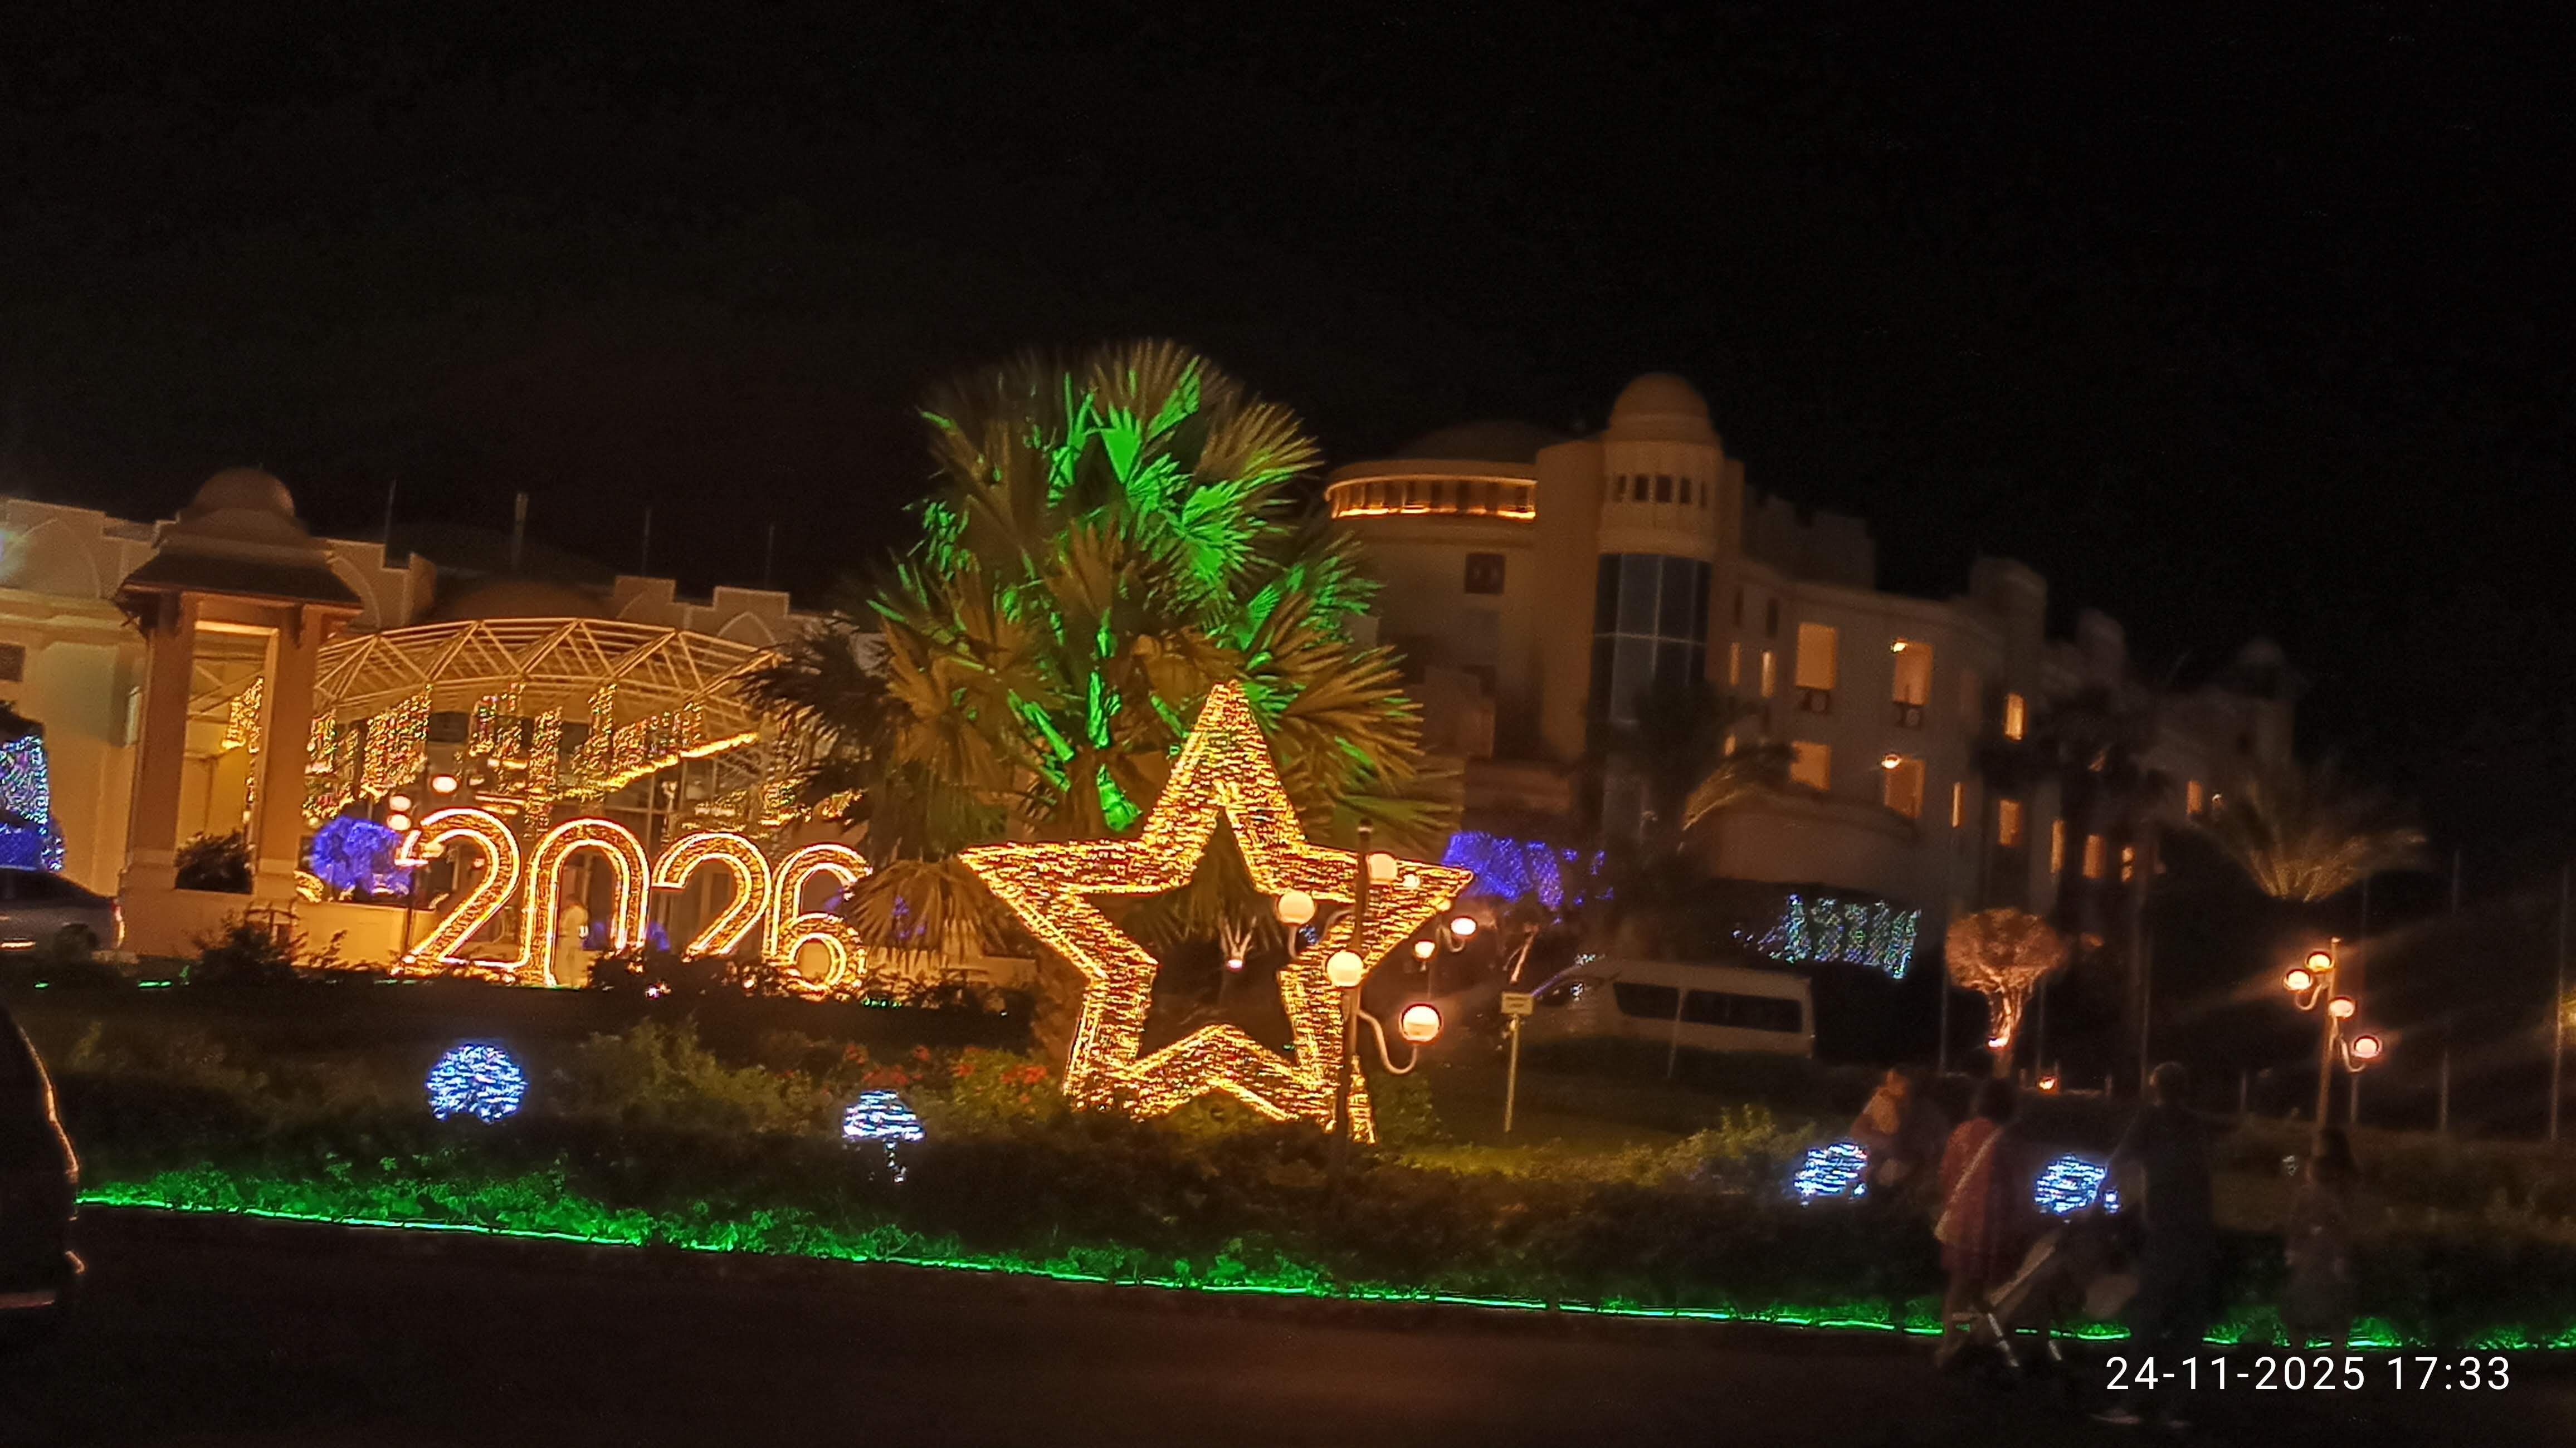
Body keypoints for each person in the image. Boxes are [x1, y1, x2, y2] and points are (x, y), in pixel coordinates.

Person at [2096, 1061, 2216, 1430]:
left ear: (2155, 1088)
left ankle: (2132, 1401)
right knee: (2189, 1322)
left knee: (2149, 1316)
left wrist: (2100, 1197)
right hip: (2200, 1230)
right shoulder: (2196, 1124)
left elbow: (2119, 1159)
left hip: (2166, 1229)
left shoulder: (2150, 1118)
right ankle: (2177, 1408)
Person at [1934, 1078, 2034, 1360]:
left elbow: (1945, 1175)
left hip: (1960, 1224)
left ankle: (1948, 1345)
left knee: (1960, 1285)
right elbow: (2019, 1187)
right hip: (1995, 1227)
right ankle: (1984, 1345)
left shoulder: (1961, 1132)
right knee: (1994, 1290)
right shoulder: (2009, 1139)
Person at [2282, 1126, 2359, 1349]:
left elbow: (2289, 1170)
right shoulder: (2348, 1178)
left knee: (2303, 1311)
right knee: (2336, 1317)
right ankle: (2336, 1372)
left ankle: (2298, 1366)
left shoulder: (2317, 1184)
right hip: (2331, 1255)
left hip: (2315, 1254)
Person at [1850, 1067, 1951, 1201]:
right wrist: (1884, 1143)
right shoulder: (1882, 1102)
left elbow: (1919, 1152)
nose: (1886, 1088)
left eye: (1895, 1082)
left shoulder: (1928, 1115)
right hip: (1881, 1178)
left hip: (1912, 1187)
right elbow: (1857, 1130)